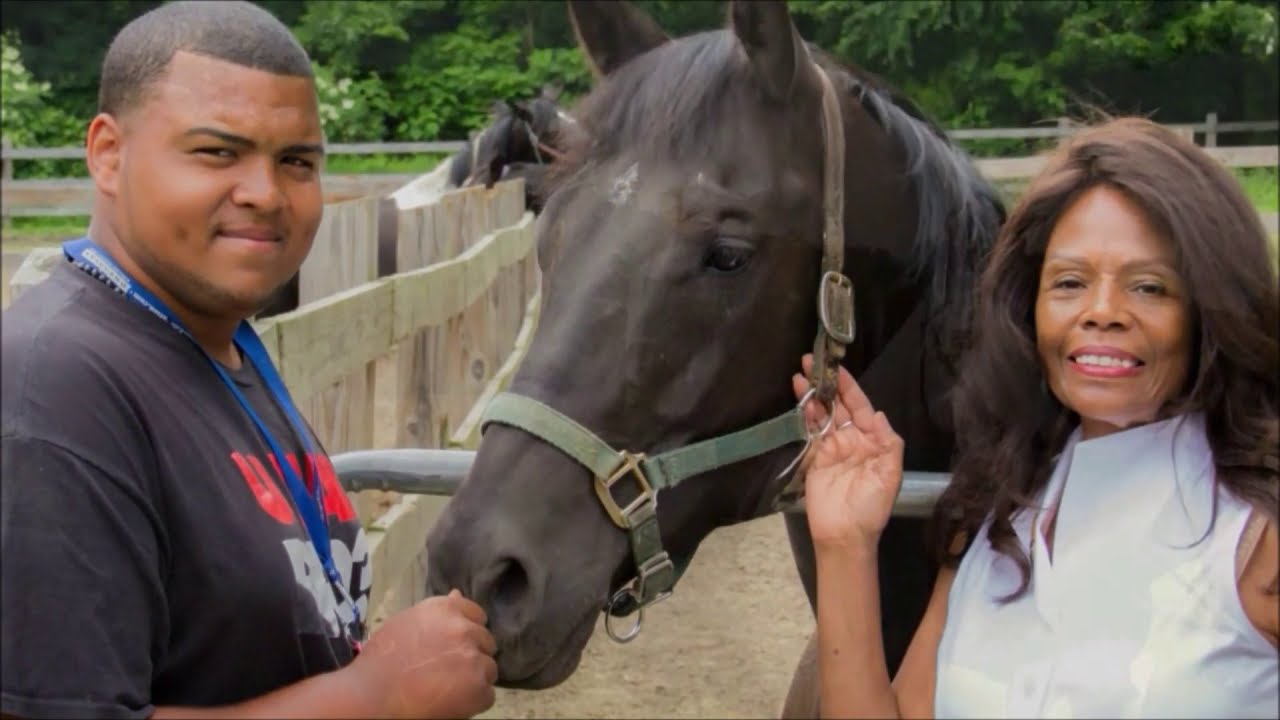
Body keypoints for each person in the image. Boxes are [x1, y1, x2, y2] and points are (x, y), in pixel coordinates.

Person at [0, 3, 497, 718]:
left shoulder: (219, 349)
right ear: (108, 154)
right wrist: (374, 696)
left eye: (296, 162)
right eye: (216, 152)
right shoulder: (55, 388)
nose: (266, 194)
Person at [790, 116, 1279, 718]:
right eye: (1069, 282)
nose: (1102, 311)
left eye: (1149, 287)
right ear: (1029, 309)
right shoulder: (996, 523)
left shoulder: (1257, 539)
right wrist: (845, 546)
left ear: (1211, 309)